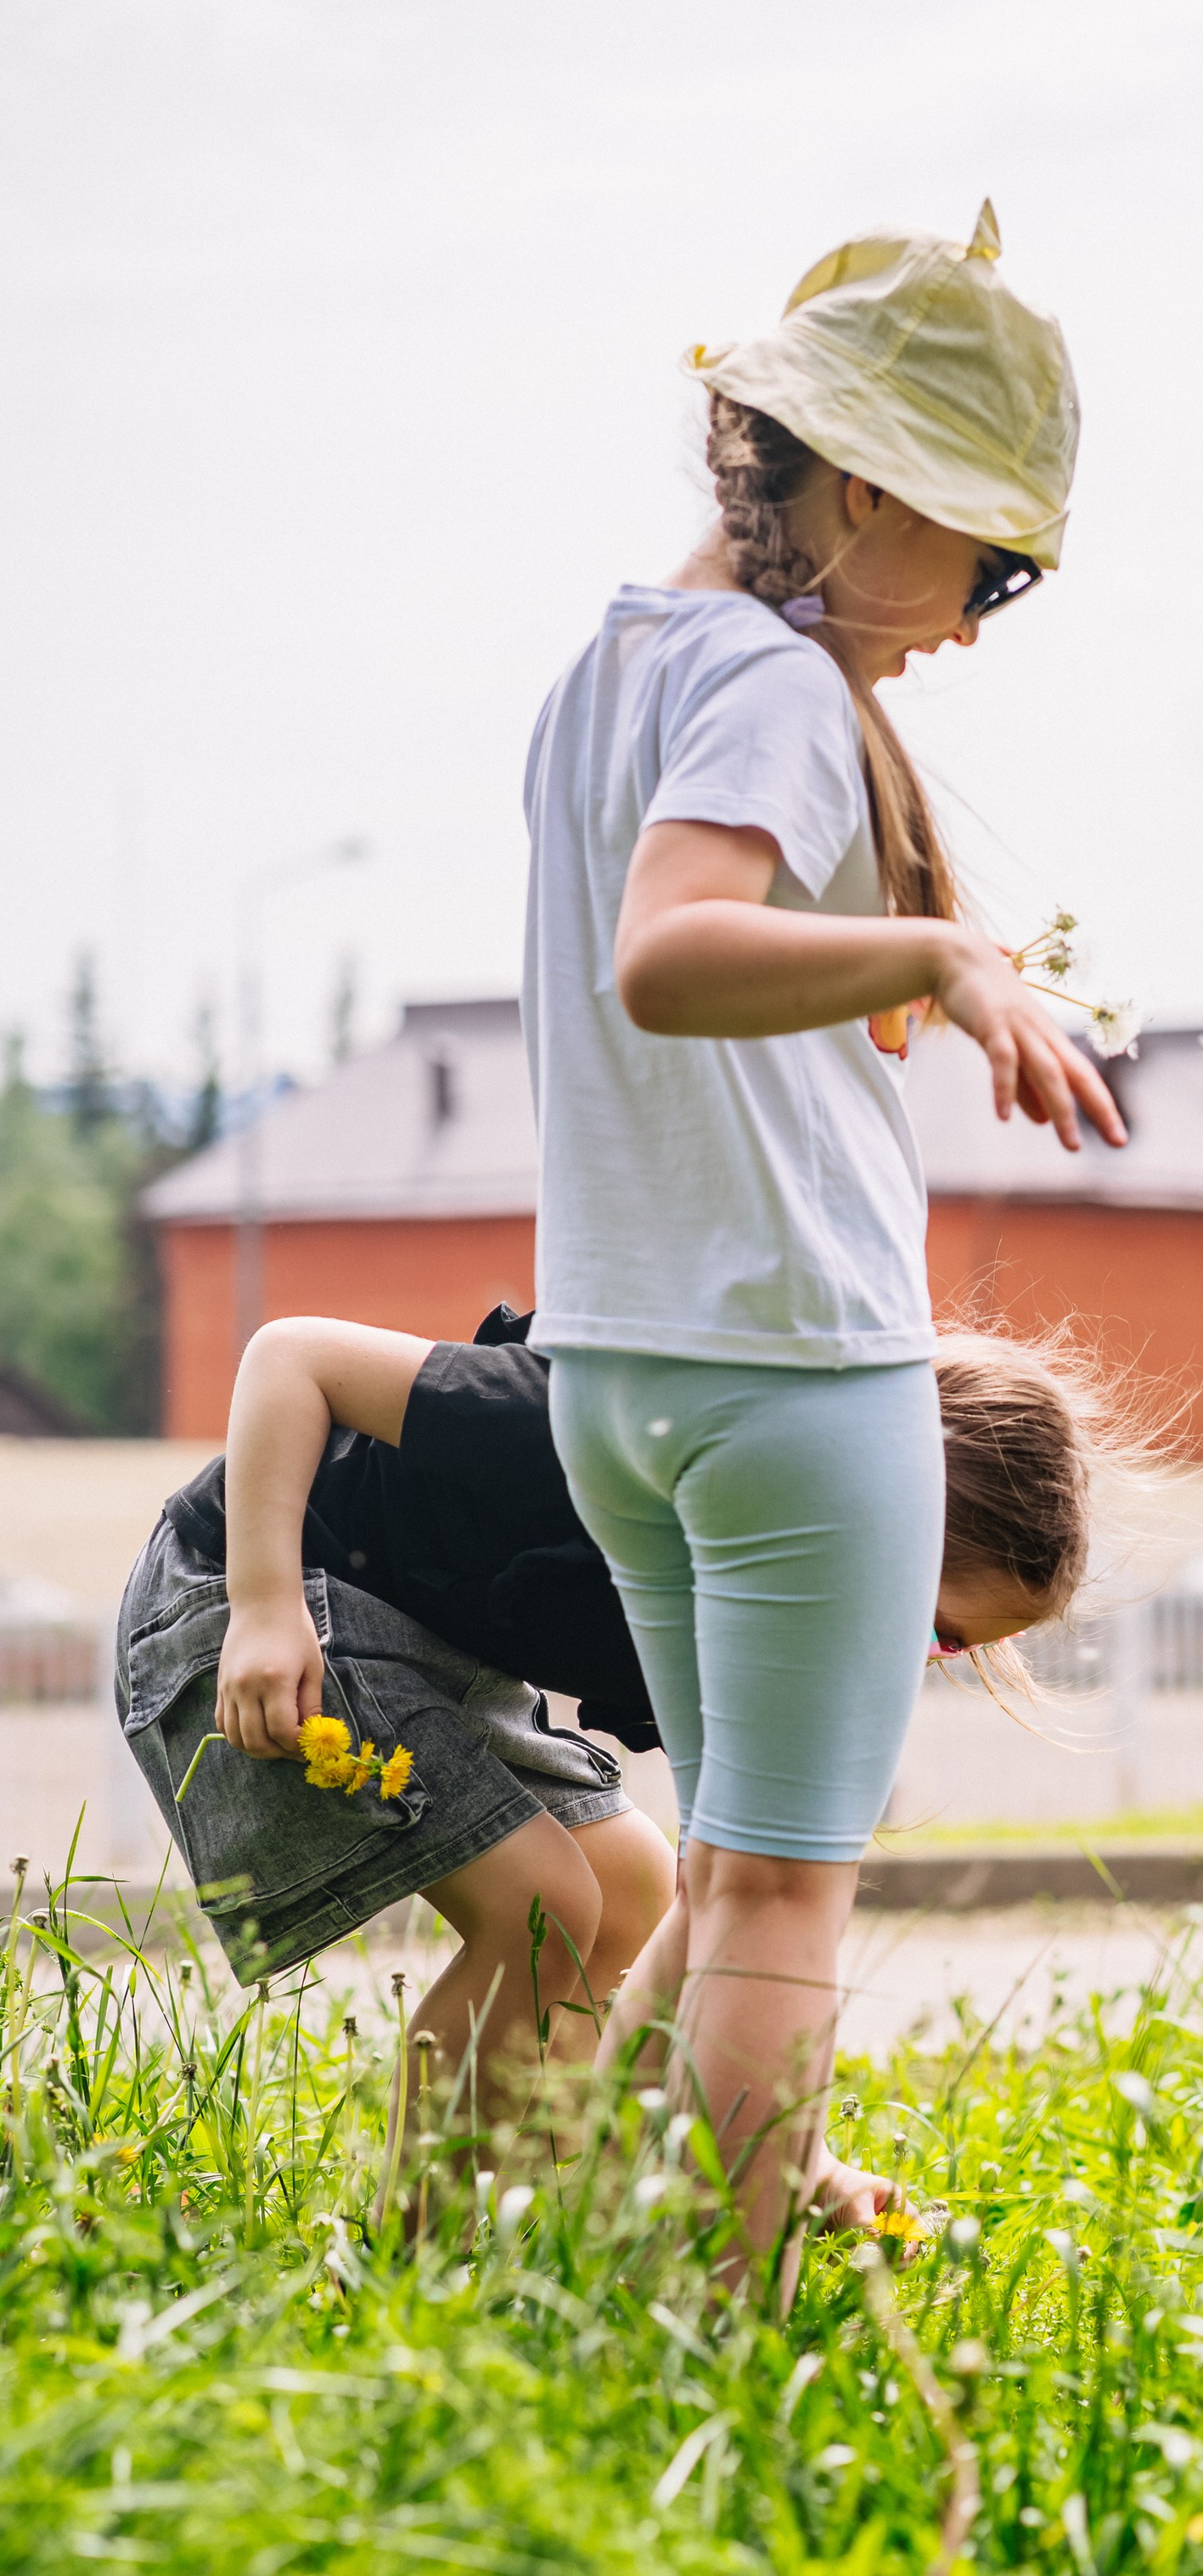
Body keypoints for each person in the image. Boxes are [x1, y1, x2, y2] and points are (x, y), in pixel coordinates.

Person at [523, 200, 1127, 2281]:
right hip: (791, 1373)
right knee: (783, 1892)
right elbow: (668, 957)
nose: (966, 624)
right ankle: (745, 2306)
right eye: (982, 567)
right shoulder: (769, 684)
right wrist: (952, 958)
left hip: (619, 1372)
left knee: (719, 1866)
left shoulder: (605, 671)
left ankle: (609, 2259)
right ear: (868, 489)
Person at [119, 1309, 1116, 2175]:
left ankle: (527, 2194)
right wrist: (264, 1599)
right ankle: (409, 2258)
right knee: (543, 1907)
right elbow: (293, 1356)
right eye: (934, 1627)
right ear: (868, 1506)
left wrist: (795, 2154)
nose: (925, 1661)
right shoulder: (605, 1434)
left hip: (424, 1650)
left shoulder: (755, 1613)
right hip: (236, 1599)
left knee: (632, 1885)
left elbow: (735, 1889)